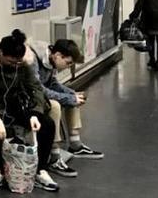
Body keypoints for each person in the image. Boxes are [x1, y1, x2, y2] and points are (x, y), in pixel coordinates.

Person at [0, 29, 59, 192]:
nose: (15, 66)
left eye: (18, 63)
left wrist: (35, 114)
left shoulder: (22, 64)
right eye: (11, 62)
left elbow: (36, 88)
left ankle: (40, 170)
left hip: (14, 103)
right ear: (0, 53)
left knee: (47, 124)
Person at [27, 39, 104, 178]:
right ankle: (54, 154)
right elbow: (38, 89)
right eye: (67, 63)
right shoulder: (33, 60)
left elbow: (53, 83)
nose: (67, 67)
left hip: (39, 95)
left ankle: (75, 144)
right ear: (57, 55)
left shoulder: (50, 60)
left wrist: (71, 94)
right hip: (29, 98)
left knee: (73, 98)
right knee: (55, 105)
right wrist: (68, 97)